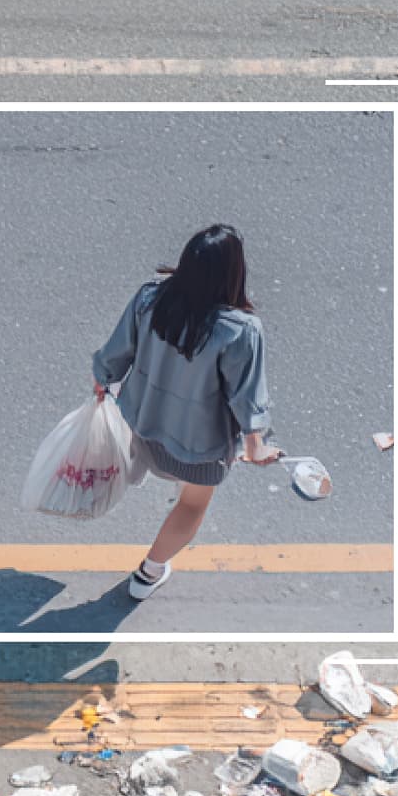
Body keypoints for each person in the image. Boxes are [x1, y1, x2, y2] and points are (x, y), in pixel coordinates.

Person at [92, 223, 283, 600]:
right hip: (198, 450)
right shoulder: (240, 331)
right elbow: (246, 398)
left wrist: (102, 380)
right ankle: (148, 574)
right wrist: (256, 447)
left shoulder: (149, 300)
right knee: (192, 505)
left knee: (156, 461)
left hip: (144, 426)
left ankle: (141, 467)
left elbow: (115, 355)